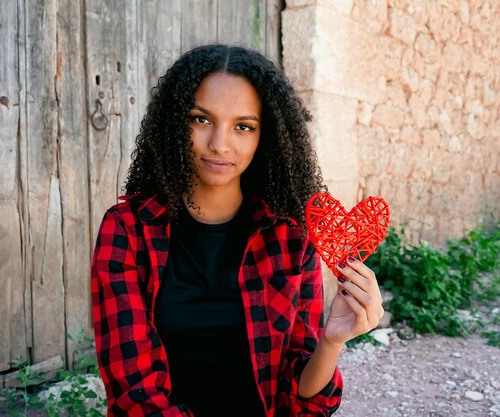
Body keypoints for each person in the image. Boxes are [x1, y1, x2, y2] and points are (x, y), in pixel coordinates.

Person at [91, 44, 385, 417]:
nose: (219, 144)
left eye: (243, 126)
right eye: (201, 119)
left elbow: (300, 401)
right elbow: (135, 394)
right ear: (175, 121)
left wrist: (331, 341)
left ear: (267, 137)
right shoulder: (128, 231)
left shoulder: (291, 238)